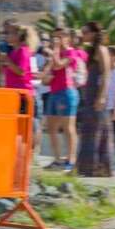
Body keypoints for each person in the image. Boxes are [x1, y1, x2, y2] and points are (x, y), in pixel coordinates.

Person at [76, 21, 112, 177]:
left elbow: (106, 74)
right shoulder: (91, 50)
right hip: (89, 95)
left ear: (93, 33)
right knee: (88, 131)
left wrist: (102, 96)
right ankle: (86, 168)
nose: (82, 36)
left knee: (98, 132)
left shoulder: (102, 50)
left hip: (97, 96)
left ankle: (98, 168)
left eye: (85, 32)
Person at [44, 27, 79, 172]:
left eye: (58, 37)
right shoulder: (55, 53)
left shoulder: (71, 52)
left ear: (66, 37)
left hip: (66, 92)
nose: (55, 40)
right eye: (54, 38)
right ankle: (57, 159)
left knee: (68, 127)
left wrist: (56, 49)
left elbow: (59, 65)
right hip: (54, 91)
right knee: (52, 128)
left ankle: (71, 159)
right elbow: (49, 72)